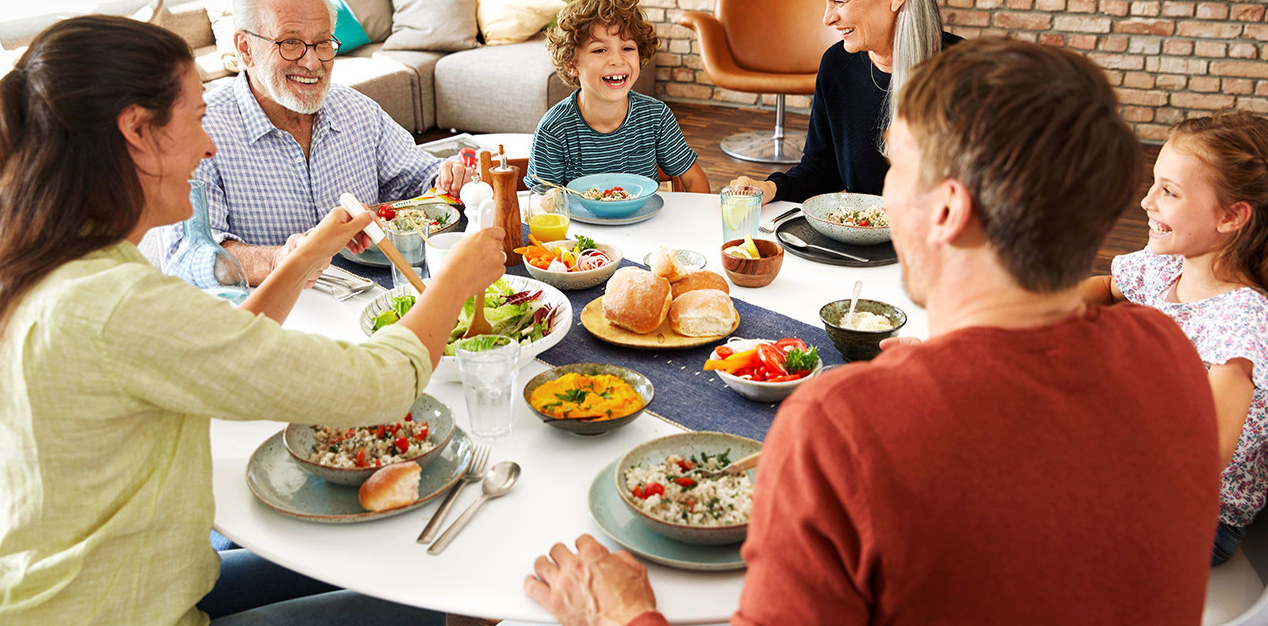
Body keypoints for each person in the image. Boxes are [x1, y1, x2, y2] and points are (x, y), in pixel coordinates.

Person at [524, 38, 1223, 625]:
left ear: (948, 211)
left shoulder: (842, 425)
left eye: (898, 171)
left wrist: (621, 615)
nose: (885, 195)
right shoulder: (1167, 354)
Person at [0, 14, 507, 625]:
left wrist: (308, 253)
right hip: (128, 611)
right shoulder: (116, 304)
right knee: (456, 599)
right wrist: (454, 282)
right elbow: (379, 388)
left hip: (92, 584)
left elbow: (222, 346)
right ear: (136, 129)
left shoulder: (48, 264)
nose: (209, 145)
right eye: (198, 118)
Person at [166, 0, 475, 285]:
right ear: (245, 49)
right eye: (290, 43)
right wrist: (276, 260)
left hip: (373, 299)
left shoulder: (357, 111)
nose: (312, 62)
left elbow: (421, 178)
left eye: (323, 43)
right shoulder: (199, 133)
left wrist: (450, 178)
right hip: (272, 315)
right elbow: (186, 257)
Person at [1082, 111, 1268, 565]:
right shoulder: (1170, 264)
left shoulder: (1242, 325)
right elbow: (1106, 288)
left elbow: (1195, 459)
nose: (1146, 201)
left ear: (1230, 217)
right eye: (1153, 183)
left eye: (1169, 191)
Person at [730, 0, 962, 203]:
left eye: (839, 1)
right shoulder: (837, 65)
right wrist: (771, 188)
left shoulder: (969, 75)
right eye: (826, 2)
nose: (827, 19)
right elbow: (821, 170)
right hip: (857, 243)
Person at [524, 0, 709, 194]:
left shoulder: (656, 117)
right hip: (580, 227)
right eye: (600, 50)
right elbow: (541, 204)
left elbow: (692, 178)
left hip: (646, 225)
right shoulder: (555, 129)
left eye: (627, 48)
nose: (617, 60)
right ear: (571, 63)